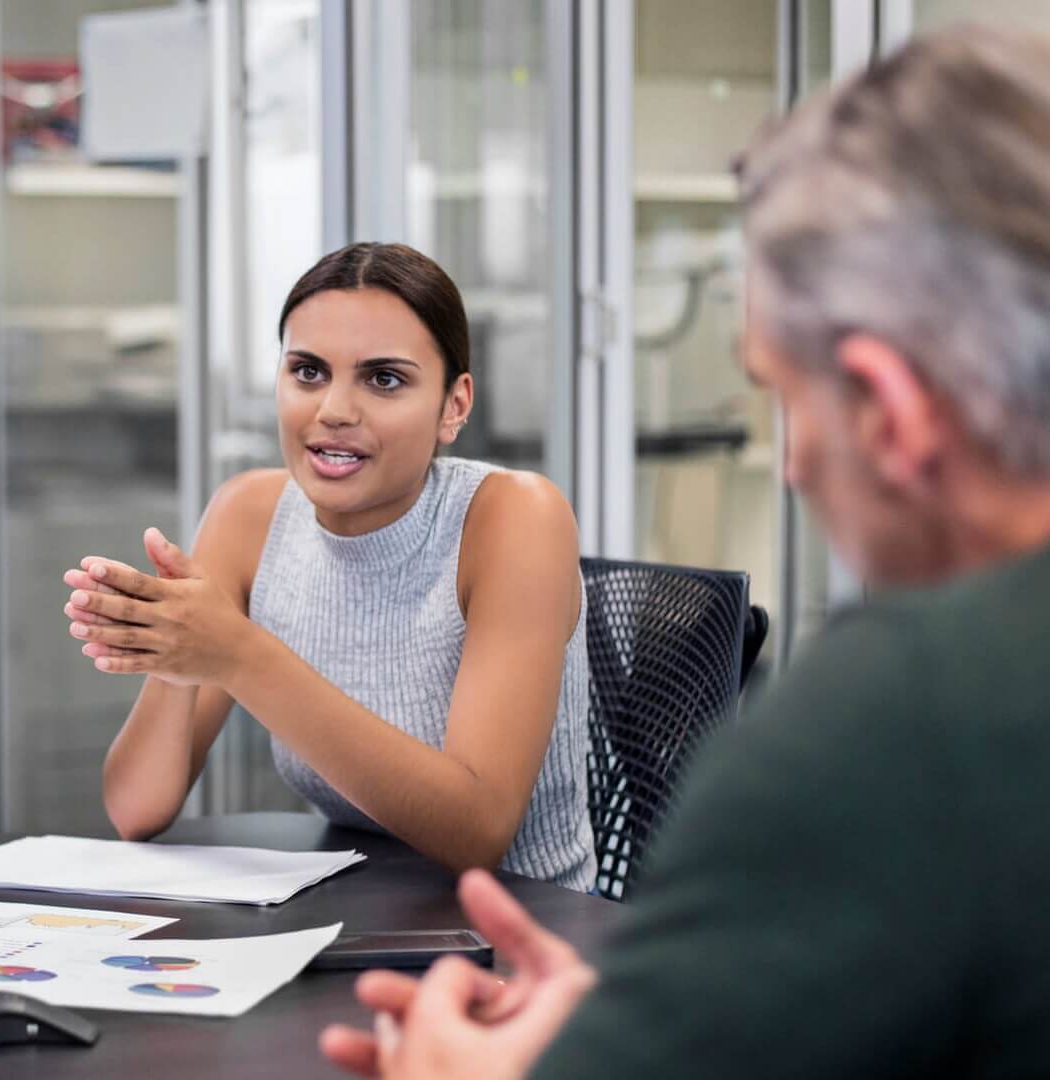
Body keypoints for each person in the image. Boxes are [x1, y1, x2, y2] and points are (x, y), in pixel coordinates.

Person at [320, 24, 1050, 1079]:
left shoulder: (907, 716)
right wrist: (667, 1017)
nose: (793, 468)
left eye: (787, 397)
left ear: (890, 411)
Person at [69, 242, 595, 889]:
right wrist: (179, 661)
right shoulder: (247, 513)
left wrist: (237, 654)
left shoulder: (515, 517)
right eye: (309, 372)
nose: (334, 411)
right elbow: (135, 811)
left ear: (454, 405)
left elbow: (477, 830)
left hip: (524, 941)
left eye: (384, 379)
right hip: (359, 918)